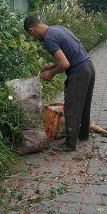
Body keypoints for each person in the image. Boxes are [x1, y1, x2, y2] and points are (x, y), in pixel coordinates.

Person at [24, 16, 96, 152]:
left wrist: (51, 74)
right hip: (89, 67)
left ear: (31, 31)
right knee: (84, 104)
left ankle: (70, 144)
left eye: (31, 35)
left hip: (79, 72)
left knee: (71, 107)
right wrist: (51, 67)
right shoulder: (57, 28)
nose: (33, 37)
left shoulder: (48, 39)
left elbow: (65, 64)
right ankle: (83, 135)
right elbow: (67, 56)